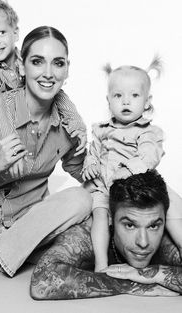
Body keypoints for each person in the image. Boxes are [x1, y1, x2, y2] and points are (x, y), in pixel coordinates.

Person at [0, 26, 92, 277]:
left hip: (30, 221)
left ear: (67, 69)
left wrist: (92, 154)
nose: (48, 73)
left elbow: (81, 174)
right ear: (22, 67)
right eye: (37, 62)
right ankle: (17, 250)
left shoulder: (70, 125)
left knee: (82, 200)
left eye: (57, 63)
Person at [82, 57, 182, 272]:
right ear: (108, 100)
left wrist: (127, 170)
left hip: (137, 188)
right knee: (99, 215)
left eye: (134, 95)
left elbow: (149, 156)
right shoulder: (101, 130)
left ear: (147, 101)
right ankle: (101, 264)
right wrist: (90, 165)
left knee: (173, 207)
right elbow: (93, 152)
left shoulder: (147, 131)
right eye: (118, 95)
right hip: (105, 186)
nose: (126, 102)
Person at [0, 0, 87, 178]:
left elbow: (57, 94)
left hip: (31, 127)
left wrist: (76, 123)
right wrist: (10, 147)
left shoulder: (28, 58)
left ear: (15, 33)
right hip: (2, 131)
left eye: (1, 32)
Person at [30, 170, 182, 300]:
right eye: (130, 225)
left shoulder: (167, 241)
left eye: (153, 226)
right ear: (110, 219)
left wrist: (147, 274)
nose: (143, 242)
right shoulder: (87, 234)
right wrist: (131, 283)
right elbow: (42, 281)